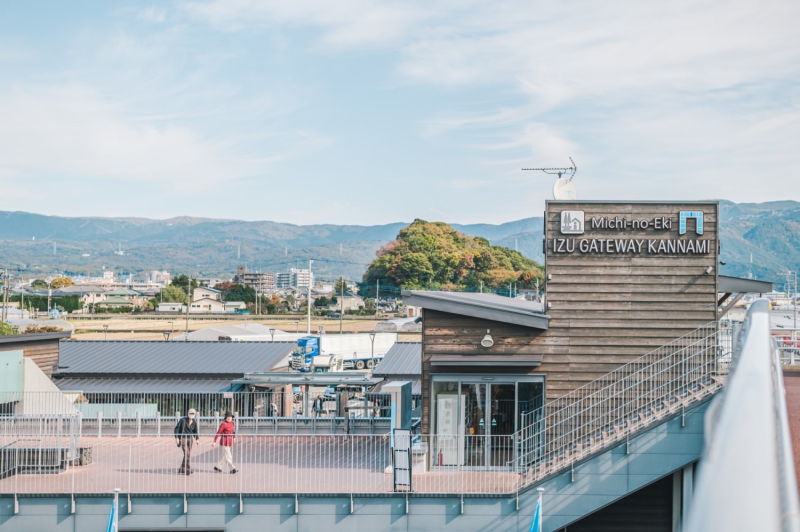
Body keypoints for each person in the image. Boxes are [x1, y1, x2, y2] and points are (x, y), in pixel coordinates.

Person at [174, 408, 200, 475]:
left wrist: (197, 439)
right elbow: (177, 428)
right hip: (183, 438)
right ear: (188, 413)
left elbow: (195, 431)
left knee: (187, 454)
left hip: (190, 439)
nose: (191, 415)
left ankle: (182, 469)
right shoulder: (183, 420)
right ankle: (187, 469)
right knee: (187, 453)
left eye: (193, 414)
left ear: (195, 414)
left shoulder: (194, 422)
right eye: (190, 413)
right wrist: (176, 437)